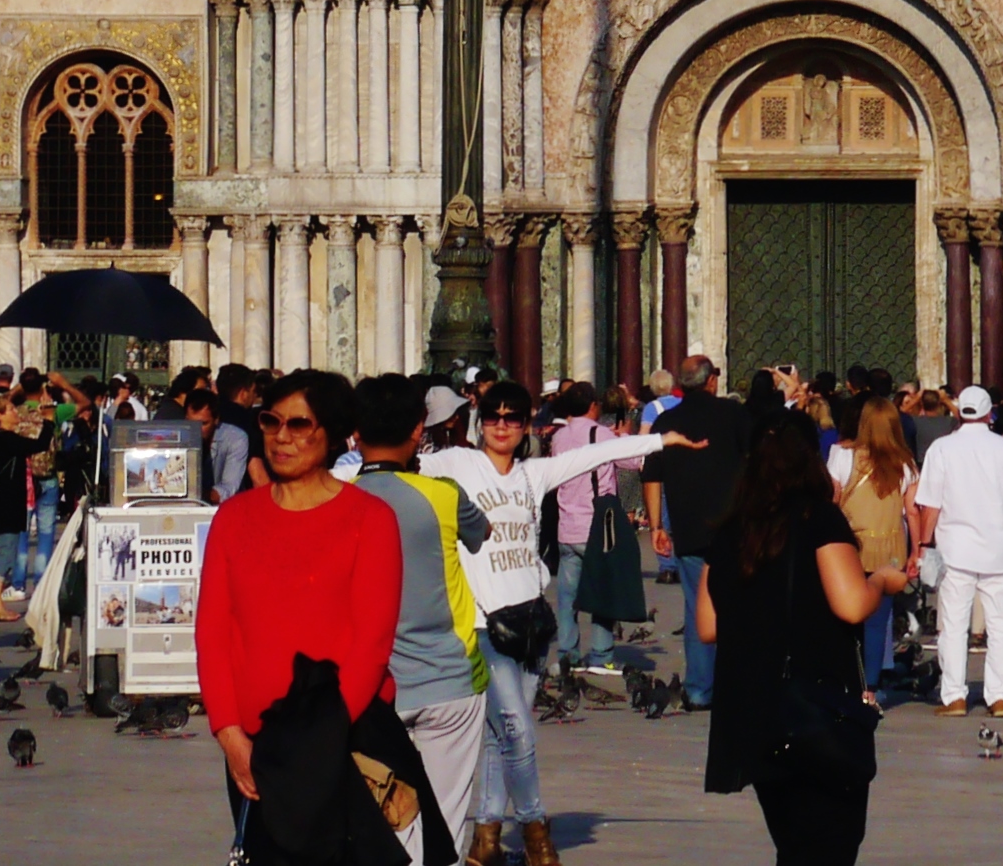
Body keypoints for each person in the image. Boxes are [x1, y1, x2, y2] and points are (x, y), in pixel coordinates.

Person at [431, 378, 688, 866]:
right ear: (478, 422)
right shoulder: (457, 465)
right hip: (485, 625)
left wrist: (660, 439)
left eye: (512, 417)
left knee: (502, 735)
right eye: (492, 417)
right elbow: (388, 468)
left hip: (530, 621)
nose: (502, 426)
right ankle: (535, 831)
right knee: (518, 732)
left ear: (528, 424)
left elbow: (594, 457)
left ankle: (486, 837)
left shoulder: (535, 473)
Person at [200, 371, 404, 863]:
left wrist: (316, 745)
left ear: (332, 434)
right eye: (271, 422)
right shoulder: (234, 518)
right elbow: (212, 633)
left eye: (298, 424)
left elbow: (371, 644)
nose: (281, 437)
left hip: (345, 742)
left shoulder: (370, 519)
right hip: (256, 748)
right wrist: (229, 734)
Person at [698, 411, 882, 866]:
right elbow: (852, 604)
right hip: (816, 707)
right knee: (831, 843)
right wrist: (885, 582)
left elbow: (707, 625)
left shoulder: (730, 532)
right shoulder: (820, 519)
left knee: (793, 842)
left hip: (755, 710)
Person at [350, 372, 487, 839]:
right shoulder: (443, 494)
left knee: (385, 824)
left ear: (355, 433)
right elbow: (481, 533)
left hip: (368, 688)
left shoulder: (339, 499)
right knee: (442, 829)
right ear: (418, 430)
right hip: (448, 679)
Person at [910, 380, 1003, 715]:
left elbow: (931, 505)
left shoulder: (941, 449)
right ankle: (999, 696)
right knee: (1000, 624)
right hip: (999, 548)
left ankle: (954, 695)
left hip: (955, 550)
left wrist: (924, 546)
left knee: (953, 625)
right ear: (988, 413)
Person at [649, 356, 752, 712]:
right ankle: (736, 683)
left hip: (689, 528)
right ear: (711, 381)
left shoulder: (666, 420)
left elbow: (652, 474)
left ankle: (698, 689)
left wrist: (656, 525)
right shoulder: (734, 415)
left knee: (698, 607)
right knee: (738, 605)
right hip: (734, 527)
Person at [828, 397, 915, 691]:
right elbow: (912, 509)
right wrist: (919, 549)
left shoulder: (842, 456)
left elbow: (833, 499)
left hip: (851, 547)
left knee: (846, 615)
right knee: (878, 620)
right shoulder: (905, 463)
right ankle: (871, 686)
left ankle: (846, 679)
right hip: (890, 550)